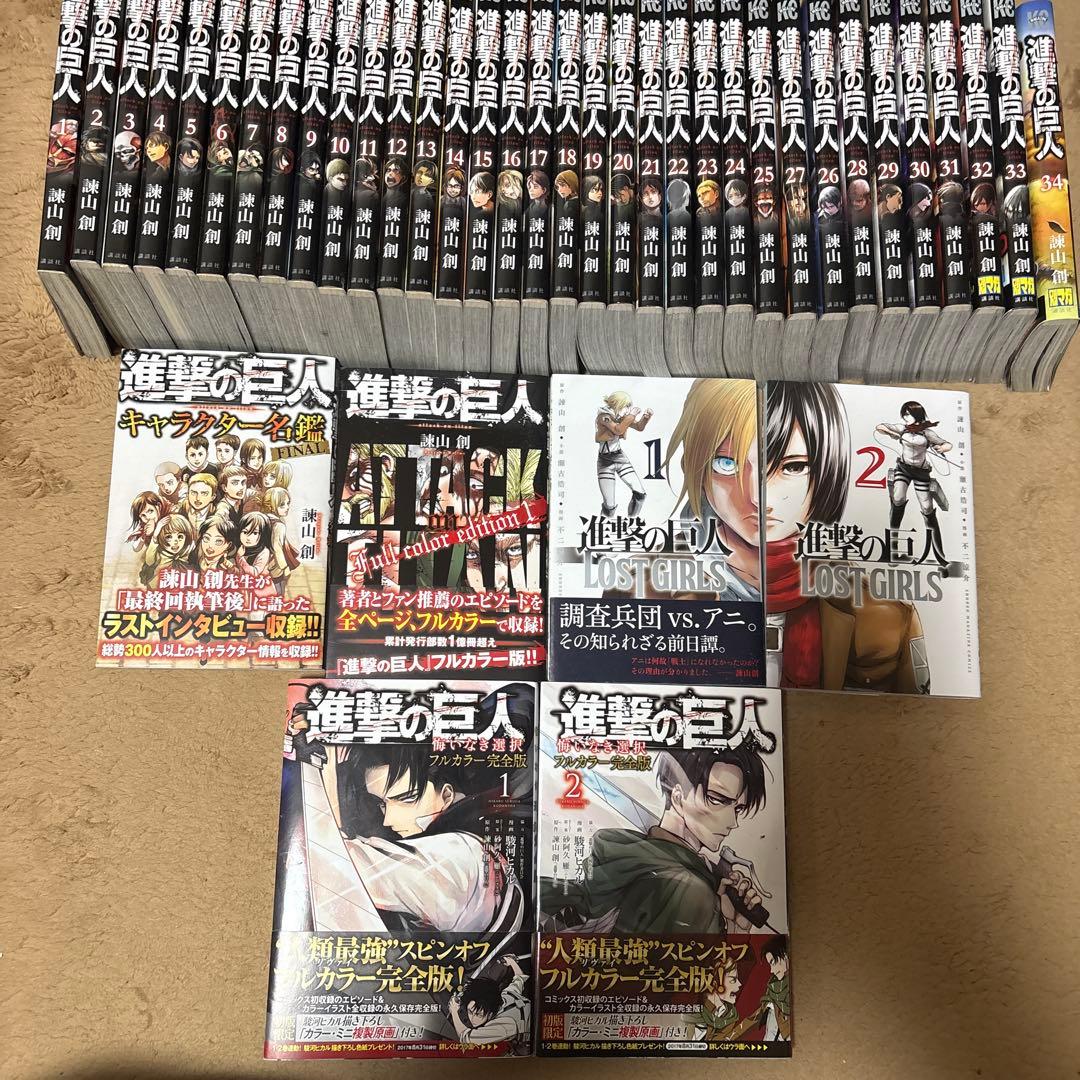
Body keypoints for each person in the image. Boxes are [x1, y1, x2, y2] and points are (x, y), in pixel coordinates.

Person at [292, 683, 532, 934]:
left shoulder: (461, 856)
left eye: (405, 800)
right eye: (382, 804)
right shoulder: (462, 845)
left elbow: (335, 862)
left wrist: (320, 760)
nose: (388, 819)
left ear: (447, 794)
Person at [539, 744, 770, 935]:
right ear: (678, 796)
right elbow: (691, 976)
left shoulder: (624, 856)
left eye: (738, 808)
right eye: (717, 799)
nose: (732, 822)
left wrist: (732, 926)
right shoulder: (689, 890)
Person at [876, 400, 952, 568]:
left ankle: (940, 556)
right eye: (904, 414)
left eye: (908, 414)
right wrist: (889, 432)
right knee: (897, 498)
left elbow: (947, 444)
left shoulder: (927, 433)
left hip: (921, 472)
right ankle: (892, 549)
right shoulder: (902, 428)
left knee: (927, 508)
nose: (905, 417)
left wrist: (942, 449)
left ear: (916, 415)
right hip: (903, 468)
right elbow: (880, 426)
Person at [448, 955, 530, 1052]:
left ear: (491, 1013)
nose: (472, 1019)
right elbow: (519, 977)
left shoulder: (503, 1026)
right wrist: (511, 962)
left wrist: (454, 1011)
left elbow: (466, 1039)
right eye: (470, 1011)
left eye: (479, 1015)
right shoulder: (508, 994)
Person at [595, 391, 652, 518]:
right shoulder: (604, 416)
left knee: (640, 494)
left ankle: (632, 520)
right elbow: (618, 430)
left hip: (620, 457)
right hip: (605, 461)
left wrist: (645, 418)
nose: (628, 410)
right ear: (618, 404)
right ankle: (603, 524)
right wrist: (631, 415)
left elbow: (639, 427)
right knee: (609, 506)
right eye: (626, 406)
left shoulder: (621, 417)